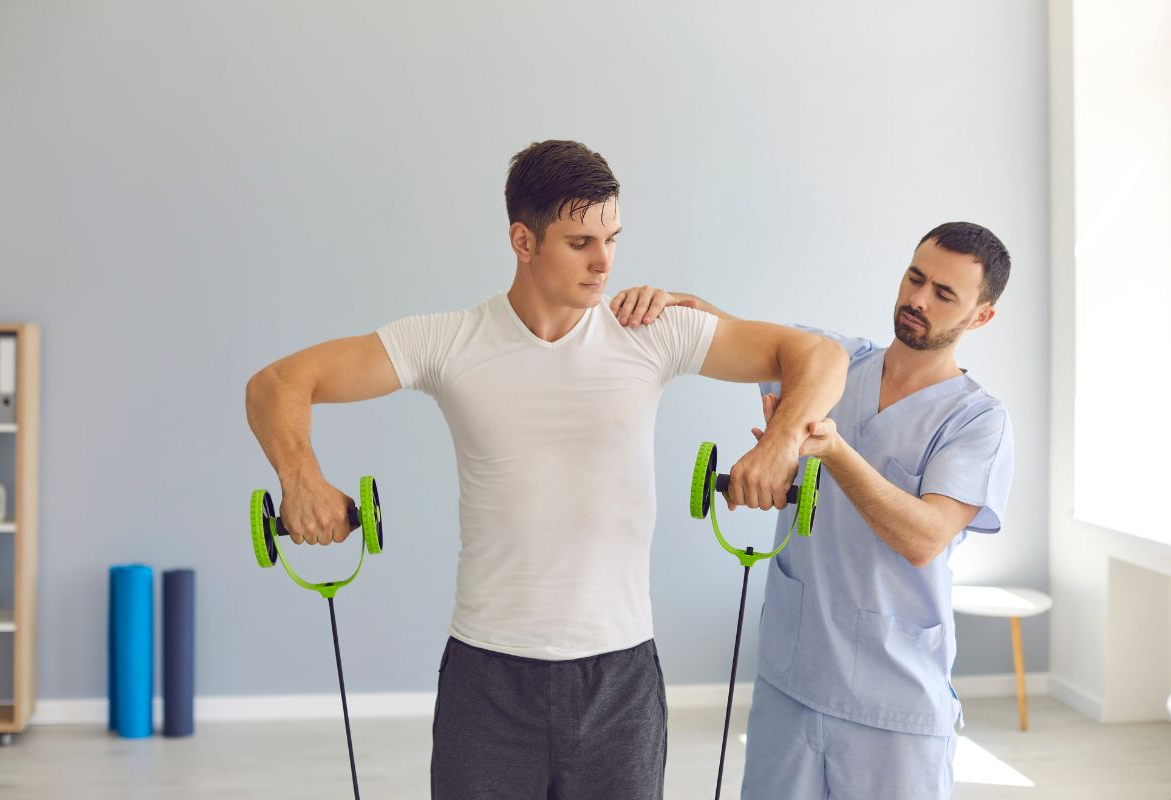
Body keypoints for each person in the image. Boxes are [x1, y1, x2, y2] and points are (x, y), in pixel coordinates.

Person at [245, 139, 849, 799]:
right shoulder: (448, 340)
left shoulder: (650, 330)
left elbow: (819, 356)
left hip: (619, 676)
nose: (604, 263)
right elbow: (278, 383)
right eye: (579, 243)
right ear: (523, 241)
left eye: (612, 239)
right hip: (487, 678)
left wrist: (781, 441)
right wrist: (301, 479)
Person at [612, 221, 1015, 799]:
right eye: (914, 277)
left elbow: (926, 538)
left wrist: (829, 450)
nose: (917, 299)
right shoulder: (834, 362)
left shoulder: (978, 421)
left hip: (894, 703)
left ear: (980, 316)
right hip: (792, 680)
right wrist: (671, 304)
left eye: (943, 294)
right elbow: (724, 332)